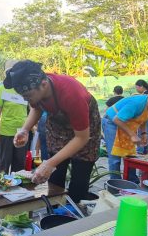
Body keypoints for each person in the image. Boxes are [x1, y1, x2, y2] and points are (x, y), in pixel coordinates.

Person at [6, 60, 101, 203]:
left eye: (28, 96)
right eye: (24, 97)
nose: (26, 99)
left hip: (85, 130)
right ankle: (55, 210)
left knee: (80, 175)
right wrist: (25, 130)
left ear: (44, 84)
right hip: (58, 127)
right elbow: (36, 107)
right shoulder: (34, 88)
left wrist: (50, 163)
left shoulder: (72, 94)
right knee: (55, 175)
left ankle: (74, 213)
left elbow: (82, 137)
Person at [0, 60, 28, 174]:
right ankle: (1, 187)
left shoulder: (25, 89)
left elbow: (32, 109)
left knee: (19, 164)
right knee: (3, 163)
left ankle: (17, 190)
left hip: (22, 131)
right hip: (6, 132)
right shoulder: (2, 89)